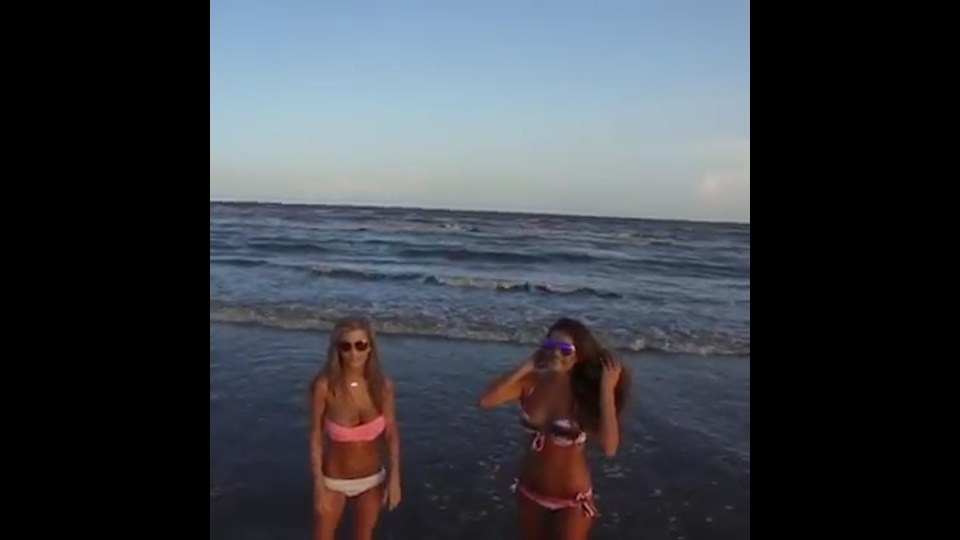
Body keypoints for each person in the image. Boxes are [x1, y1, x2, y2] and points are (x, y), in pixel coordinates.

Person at [478, 317, 630, 540]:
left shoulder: (585, 394)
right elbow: (485, 401)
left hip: (571, 500)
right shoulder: (531, 384)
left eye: (565, 349)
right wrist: (526, 366)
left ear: (579, 355)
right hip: (530, 492)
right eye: (550, 346)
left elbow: (609, 447)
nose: (556, 354)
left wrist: (606, 388)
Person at [309, 317, 402, 540]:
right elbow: (315, 436)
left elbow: (391, 432)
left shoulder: (382, 386)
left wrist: (395, 477)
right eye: (346, 346)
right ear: (337, 350)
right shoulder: (324, 387)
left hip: (372, 479)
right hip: (334, 480)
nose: (354, 354)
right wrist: (318, 485)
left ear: (370, 348)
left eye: (361, 345)